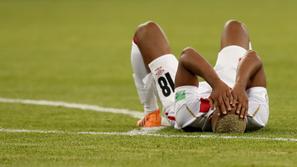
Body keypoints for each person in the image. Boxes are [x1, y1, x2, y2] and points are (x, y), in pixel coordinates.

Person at [130, 20, 269, 132]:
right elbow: (254, 57)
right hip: (229, 81)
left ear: (214, 113)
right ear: (244, 113)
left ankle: (151, 113)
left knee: (146, 31)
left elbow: (187, 56)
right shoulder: (257, 114)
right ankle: (230, 83)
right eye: (235, 103)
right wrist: (240, 85)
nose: (230, 100)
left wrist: (216, 84)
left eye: (225, 104)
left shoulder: (189, 113)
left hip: (183, 95)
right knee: (235, 27)